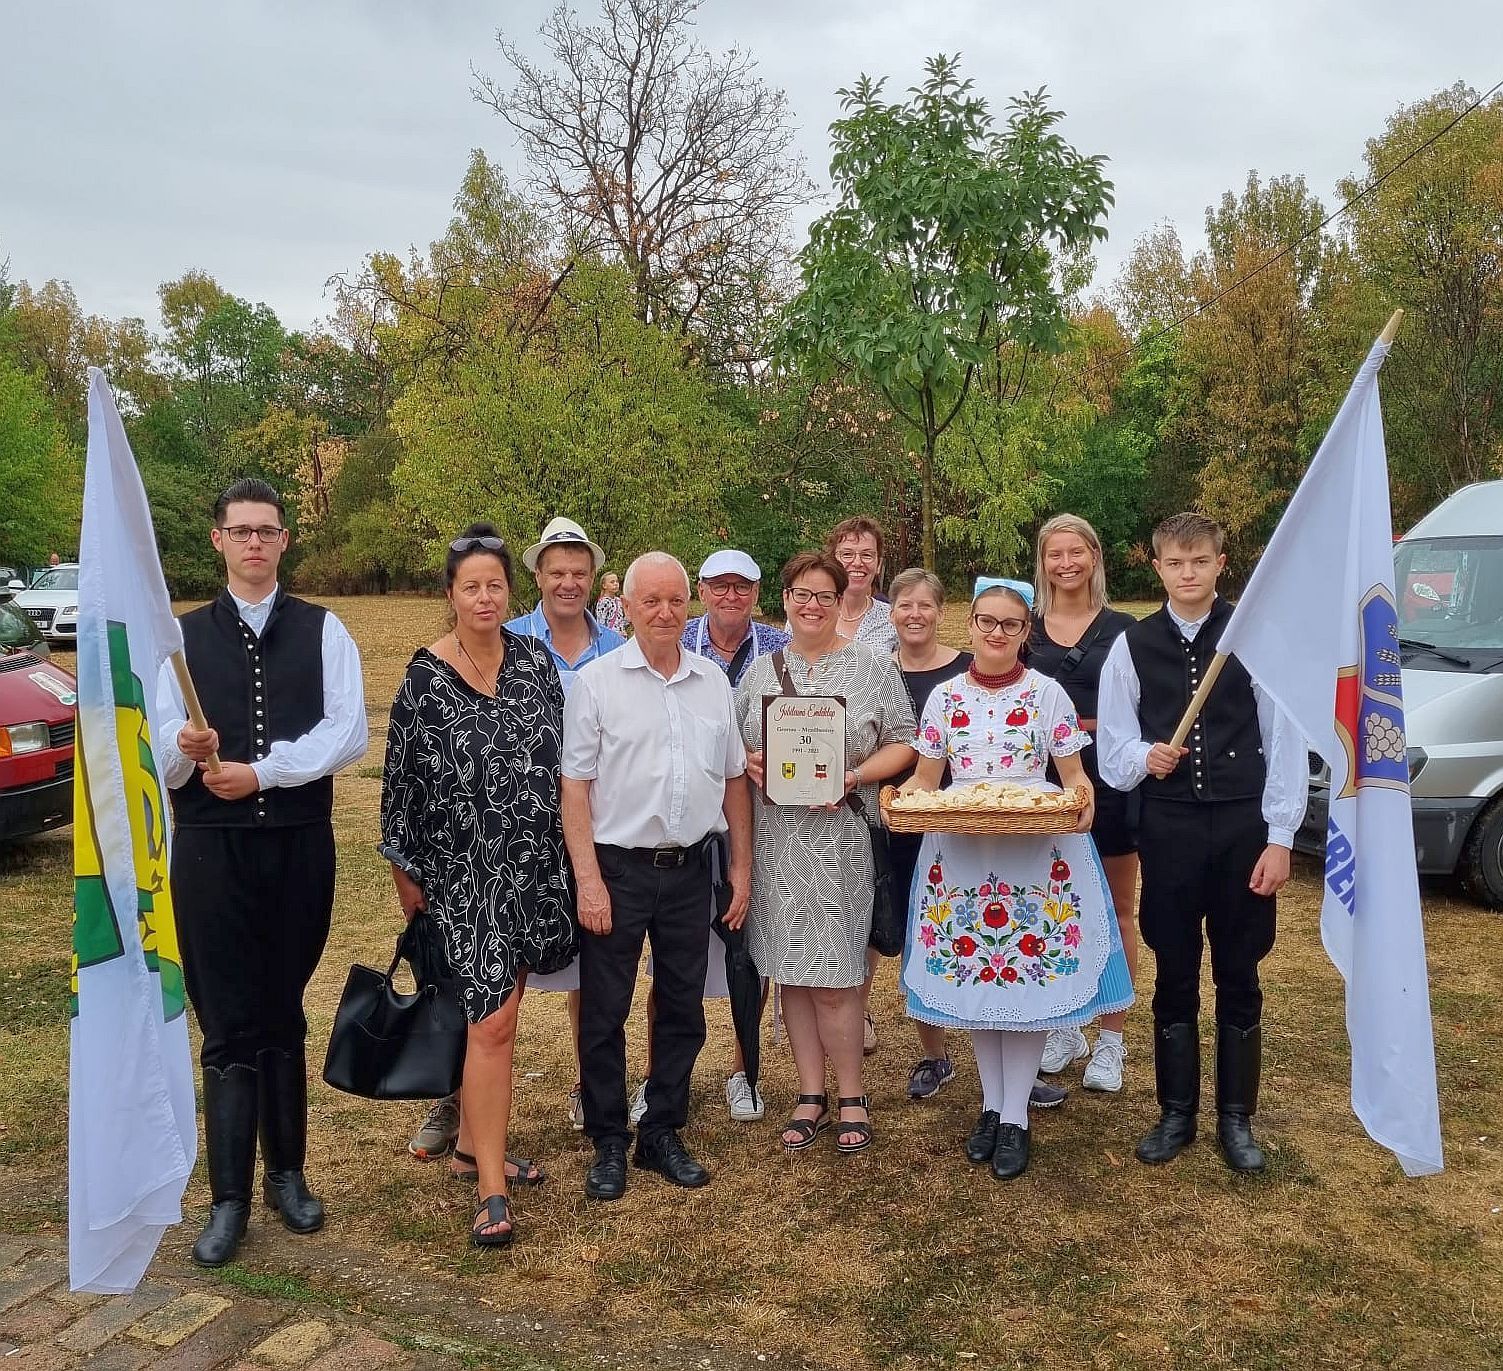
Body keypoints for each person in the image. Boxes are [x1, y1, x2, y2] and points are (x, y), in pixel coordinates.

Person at [159, 478, 368, 1267]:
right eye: (240, 530)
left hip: (296, 844)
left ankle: (288, 1175)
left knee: (281, 1008)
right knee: (227, 1023)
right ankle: (227, 1200)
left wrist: (264, 772)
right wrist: (182, 750)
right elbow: (152, 760)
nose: (254, 542)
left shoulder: (324, 629)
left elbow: (346, 733)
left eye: (267, 531)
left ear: (284, 541)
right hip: (210, 854)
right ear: (218, 540)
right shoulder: (175, 642)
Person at [381, 525, 578, 1246]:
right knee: (491, 1023)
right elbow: (398, 797)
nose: (485, 596)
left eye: (495, 583)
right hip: (460, 880)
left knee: (502, 1015)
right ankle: (491, 1188)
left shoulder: (533, 662)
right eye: (472, 585)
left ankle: (471, 1145)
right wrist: (412, 891)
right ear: (451, 595)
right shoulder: (424, 679)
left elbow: (566, 764)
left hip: (532, 871)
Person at [407, 515, 625, 1161]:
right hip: (475, 862)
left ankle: (576, 1095)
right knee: (485, 1002)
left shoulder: (601, 650)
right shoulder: (481, 650)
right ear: (535, 577)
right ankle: (459, 1116)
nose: (567, 582)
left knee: (559, 988)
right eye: (555, 571)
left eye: (578, 572)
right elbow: (415, 779)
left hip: (565, 848)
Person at [898, 583, 1134, 1179]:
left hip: (1035, 856)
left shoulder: (1047, 694)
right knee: (980, 976)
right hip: (963, 856)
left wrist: (1081, 801)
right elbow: (928, 778)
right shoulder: (945, 698)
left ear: (1025, 631)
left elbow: (1074, 774)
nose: (996, 633)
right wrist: (903, 800)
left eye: (1009, 624)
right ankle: (990, 1104)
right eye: (986, 622)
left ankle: (1015, 1120)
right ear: (971, 624)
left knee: (1023, 975)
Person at [1097, 512, 1305, 1174]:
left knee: (1239, 970)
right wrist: (1143, 757)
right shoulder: (1133, 644)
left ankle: (1236, 1118)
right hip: (1170, 827)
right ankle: (1176, 1111)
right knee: (1175, 966)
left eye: (1199, 561)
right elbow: (1111, 748)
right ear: (1155, 567)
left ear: (1221, 563)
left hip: (1243, 825)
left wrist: (1279, 837)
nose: (1187, 573)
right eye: (1174, 563)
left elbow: (1285, 739)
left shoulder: (1255, 636)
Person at [563, 552, 752, 1201]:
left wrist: (741, 864)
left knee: (681, 1007)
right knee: (605, 1010)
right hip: (617, 869)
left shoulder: (711, 683)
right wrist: (586, 879)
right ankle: (609, 1138)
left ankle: (661, 1130)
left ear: (688, 603)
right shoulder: (596, 683)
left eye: (676, 600)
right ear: (631, 607)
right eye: (652, 601)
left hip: (688, 870)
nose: (666, 612)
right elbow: (575, 789)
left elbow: (732, 778)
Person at [736, 551, 917, 1154]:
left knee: (838, 980)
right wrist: (752, 763)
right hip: (776, 847)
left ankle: (851, 1095)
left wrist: (856, 776)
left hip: (841, 845)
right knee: (791, 977)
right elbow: (736, 751)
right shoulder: (761, 674)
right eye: (800, 594)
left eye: (823, 595)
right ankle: (808, 1094)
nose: (811, 605)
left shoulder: (870, 668)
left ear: (841, 602)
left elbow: (905, 743)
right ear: (784, 601)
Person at [626, 548, 789, 1126]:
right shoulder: (676, 639)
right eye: (718, 586)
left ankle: (745, 1072)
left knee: (748, 958)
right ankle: (659, 1075)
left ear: (756, 592)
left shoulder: (780, 648)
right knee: (670, 964)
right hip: (684, 824)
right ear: (702, 589)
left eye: (741, 587)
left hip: (755, 816)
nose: (730, 596)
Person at [1029, 515, 1142, 1094]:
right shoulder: (1024, 631)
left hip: (1109, 777)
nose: (1066, 563)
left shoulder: (1126, 631)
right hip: (1037, 783)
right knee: (1052, 903)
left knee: (1118, 906)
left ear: (1095, 557)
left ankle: (1112, 1037)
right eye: (1056, 554)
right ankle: (1063, 1023)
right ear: (1043, 562)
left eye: (1077, 552)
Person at [882, 568, 971, 1099]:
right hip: (897, 823)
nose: (914, 615)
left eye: (925, 606)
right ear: (890, 611)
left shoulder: (968, 669)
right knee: (919, 935)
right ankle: (933, 1053)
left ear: (941, 612)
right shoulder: (874, 670)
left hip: (964, 823)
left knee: (977, 930)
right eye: (904, 605)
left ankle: (1000, 1046)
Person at [826, 516, 899, 656]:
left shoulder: (894, 619)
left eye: (867, 555)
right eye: (847, 554)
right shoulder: (810, 614)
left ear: (878, 565)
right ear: (832, 562)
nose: (857, 563)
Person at [594, 571, 627, 636]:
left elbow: (620, 621)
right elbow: (601, 624)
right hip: (610, 637)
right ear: (604, 585)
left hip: (620, 637)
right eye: (612, 582)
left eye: (617, 581)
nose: (615, 584)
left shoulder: (618, 601)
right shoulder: (604, 602)